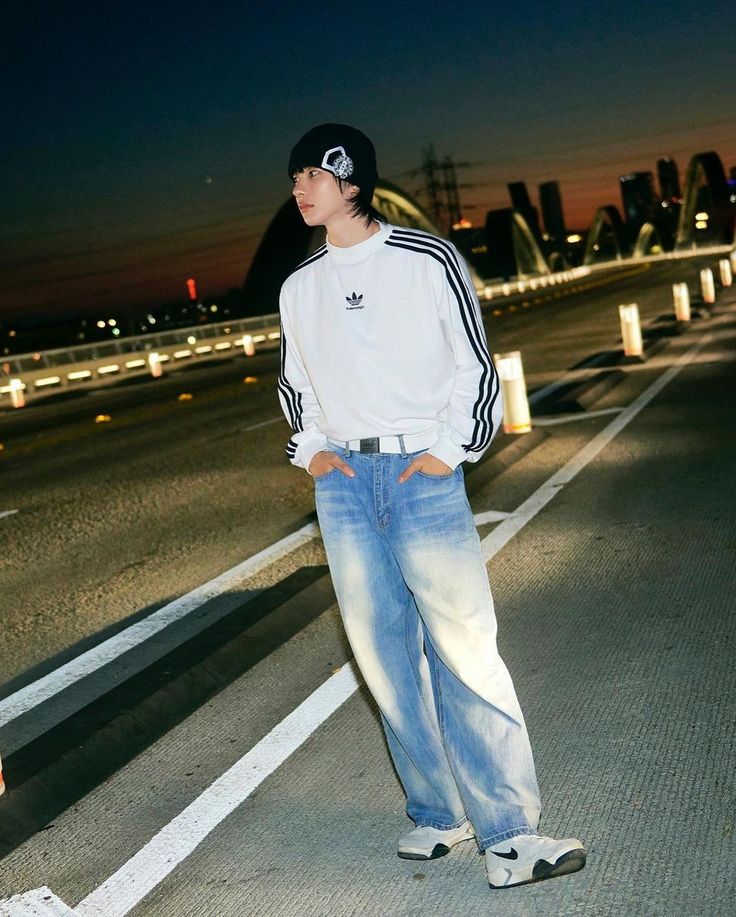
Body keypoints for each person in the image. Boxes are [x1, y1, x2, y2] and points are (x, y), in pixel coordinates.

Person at [277, 123, 586, 889]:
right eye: (294, 179)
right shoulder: (299, 285)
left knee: (463, 649)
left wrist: (449, 450)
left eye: (311, 175)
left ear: (350, 181)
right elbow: (296, 384)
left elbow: (473, 363)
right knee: (382, 656)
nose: (298, 189)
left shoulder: (427, 258)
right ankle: (436, 813)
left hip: (420, 471)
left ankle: (511, 833)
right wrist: (314, 450)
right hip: (344, 482)